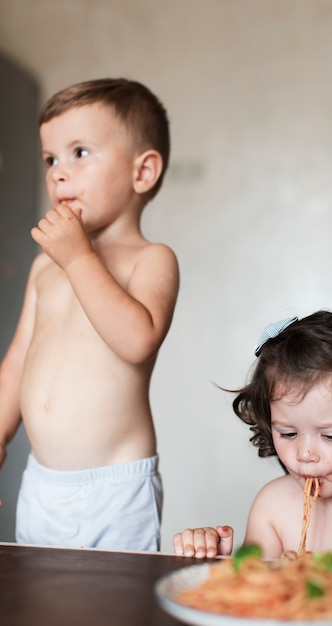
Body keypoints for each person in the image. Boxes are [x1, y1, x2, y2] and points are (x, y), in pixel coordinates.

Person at [0, 78, 179, 551]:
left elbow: (137, 339)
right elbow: (18, 359)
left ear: (143, 172)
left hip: (114, 491)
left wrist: (80, 258)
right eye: (50, 159)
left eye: (80, 152)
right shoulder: (45, 265)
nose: (59, 173)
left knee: (112, 609)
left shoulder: (151, 258)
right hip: (40, 481)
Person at [173, 311, 332, 567]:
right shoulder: (273, 506)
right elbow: (253, 590)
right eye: (289, 434)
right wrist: (218, 560)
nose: (304, 453)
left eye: (330, 436)